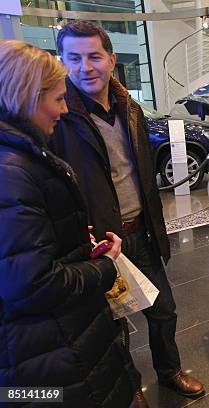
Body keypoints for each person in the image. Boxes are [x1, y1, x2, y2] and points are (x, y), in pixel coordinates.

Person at [49, 21, 205, 397]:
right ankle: (129, 387)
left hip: (141, 231)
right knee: (112, 326)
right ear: (62, 62)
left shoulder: (129, 107)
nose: (85, 67)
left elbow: (142, 174)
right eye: (74, 58)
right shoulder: (60, 116)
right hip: (99, 243)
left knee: (163, 311)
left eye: (94, 56)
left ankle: (169, 372)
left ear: (111, 60)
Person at [0, 40, 140, 407]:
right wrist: (103, 268)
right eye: (57, 99)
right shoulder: (12, 170)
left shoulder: (18, 156)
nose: (63, 109)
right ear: (28, 96)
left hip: (49, 347)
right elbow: (32, 283)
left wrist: (75, 243)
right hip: (48, 353)